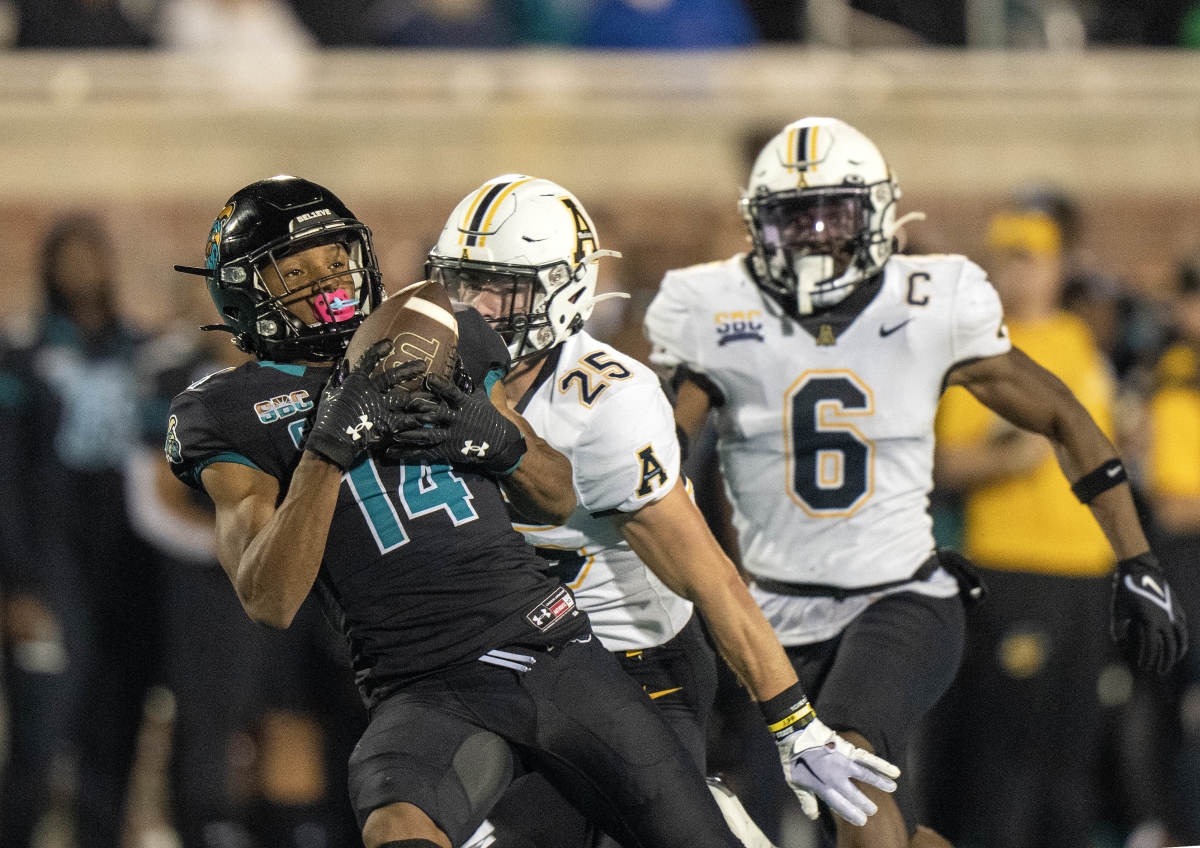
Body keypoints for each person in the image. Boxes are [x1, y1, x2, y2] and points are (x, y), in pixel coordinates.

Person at [165, 174, 882, 848]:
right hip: (419, 685)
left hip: (561, 648)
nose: (326, 280)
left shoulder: (449, 336)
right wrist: (329, 448)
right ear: (246, 293)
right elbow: (271, 598)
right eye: (295, 272)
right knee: (396, 829)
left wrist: (496, 438)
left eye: (332, 259)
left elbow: (563, 494)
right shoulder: (223, 409)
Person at [643, 117, 1188, 848]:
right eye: (791, 216)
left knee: (847, 766)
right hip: (768, 611)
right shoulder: (716, 309)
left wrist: (1137, 560)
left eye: (830, 213)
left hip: (898, 598)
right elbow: (655, 462)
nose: (811, 236)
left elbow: (1062, 414)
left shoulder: (929, 299)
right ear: (759, 224)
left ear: (875, 214)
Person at [424, 174, 900, 847]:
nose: (472, 305)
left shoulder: (607, 400)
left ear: (563, 287)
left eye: (500, 284)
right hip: (509, 665)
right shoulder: (428, 376)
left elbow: (707, 575)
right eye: (461, 280)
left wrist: (795, 724)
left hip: (633, 664)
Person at [0, 213, 158, 848]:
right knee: (40, 746)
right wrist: (15, 582)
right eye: (69, 255)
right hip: (51, 568)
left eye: (94, 253)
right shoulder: (24, 353)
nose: (83, 269)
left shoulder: (141, 352)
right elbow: (6, 474)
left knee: (113, 741)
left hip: (126, 569)